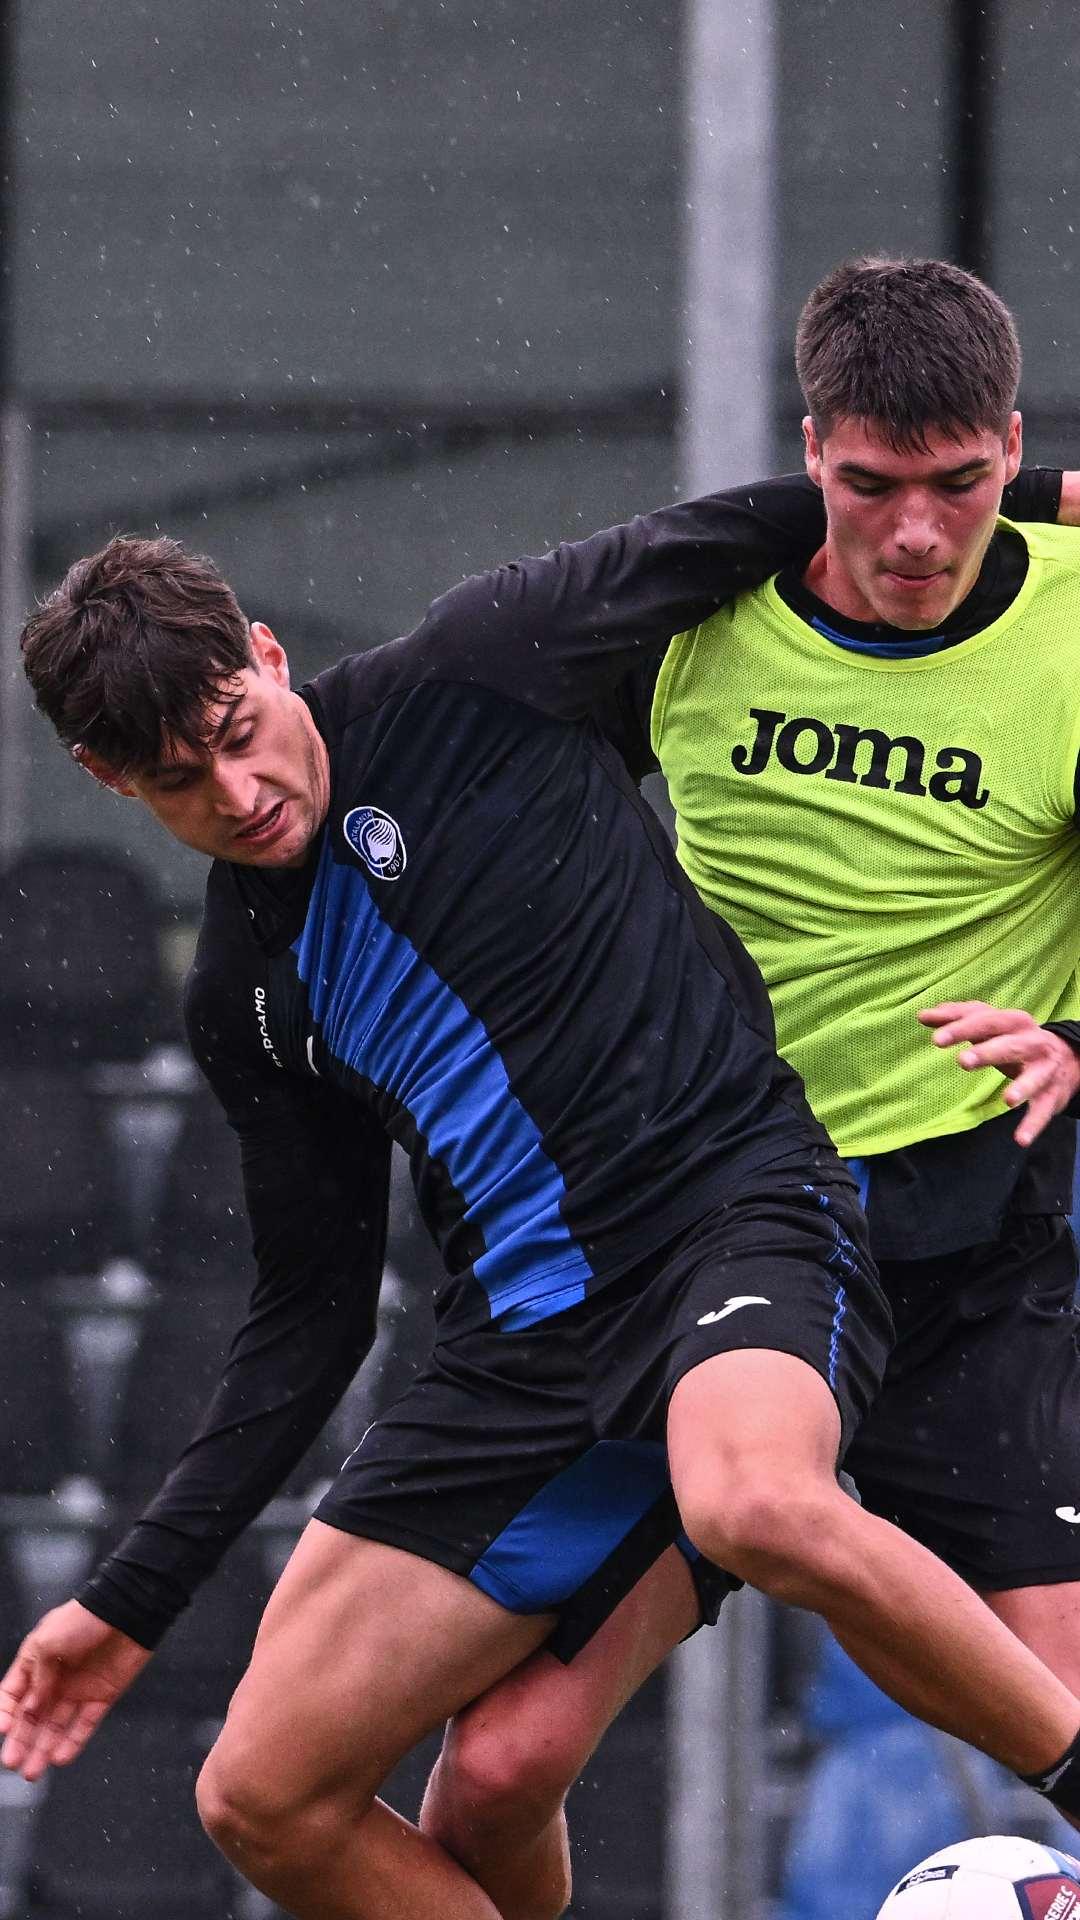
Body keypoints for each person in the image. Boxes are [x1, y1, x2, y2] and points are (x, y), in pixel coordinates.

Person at [4, 479, 1080, 1920]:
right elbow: (309, 1315)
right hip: (521, 1352)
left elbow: (788, 517)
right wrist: (131, 1599)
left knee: (754, 1496)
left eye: (238, 737)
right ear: (104, 777)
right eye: (180, 784)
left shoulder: (482, 661)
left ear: (263, 655)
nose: (239, 795)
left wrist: (1029, 487)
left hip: (738, 1220)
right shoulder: (243, 998)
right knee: (272, 1797)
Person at [407, 257, 1080, 1920]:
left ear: (1012, 445)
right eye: (868, 487)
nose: (916, 535)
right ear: (809, 457)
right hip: (718, 1255)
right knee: (492, 1780)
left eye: (961, 486)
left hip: (967, 1251)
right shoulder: (690, 619)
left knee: (1061, 1705)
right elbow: (445, 721)